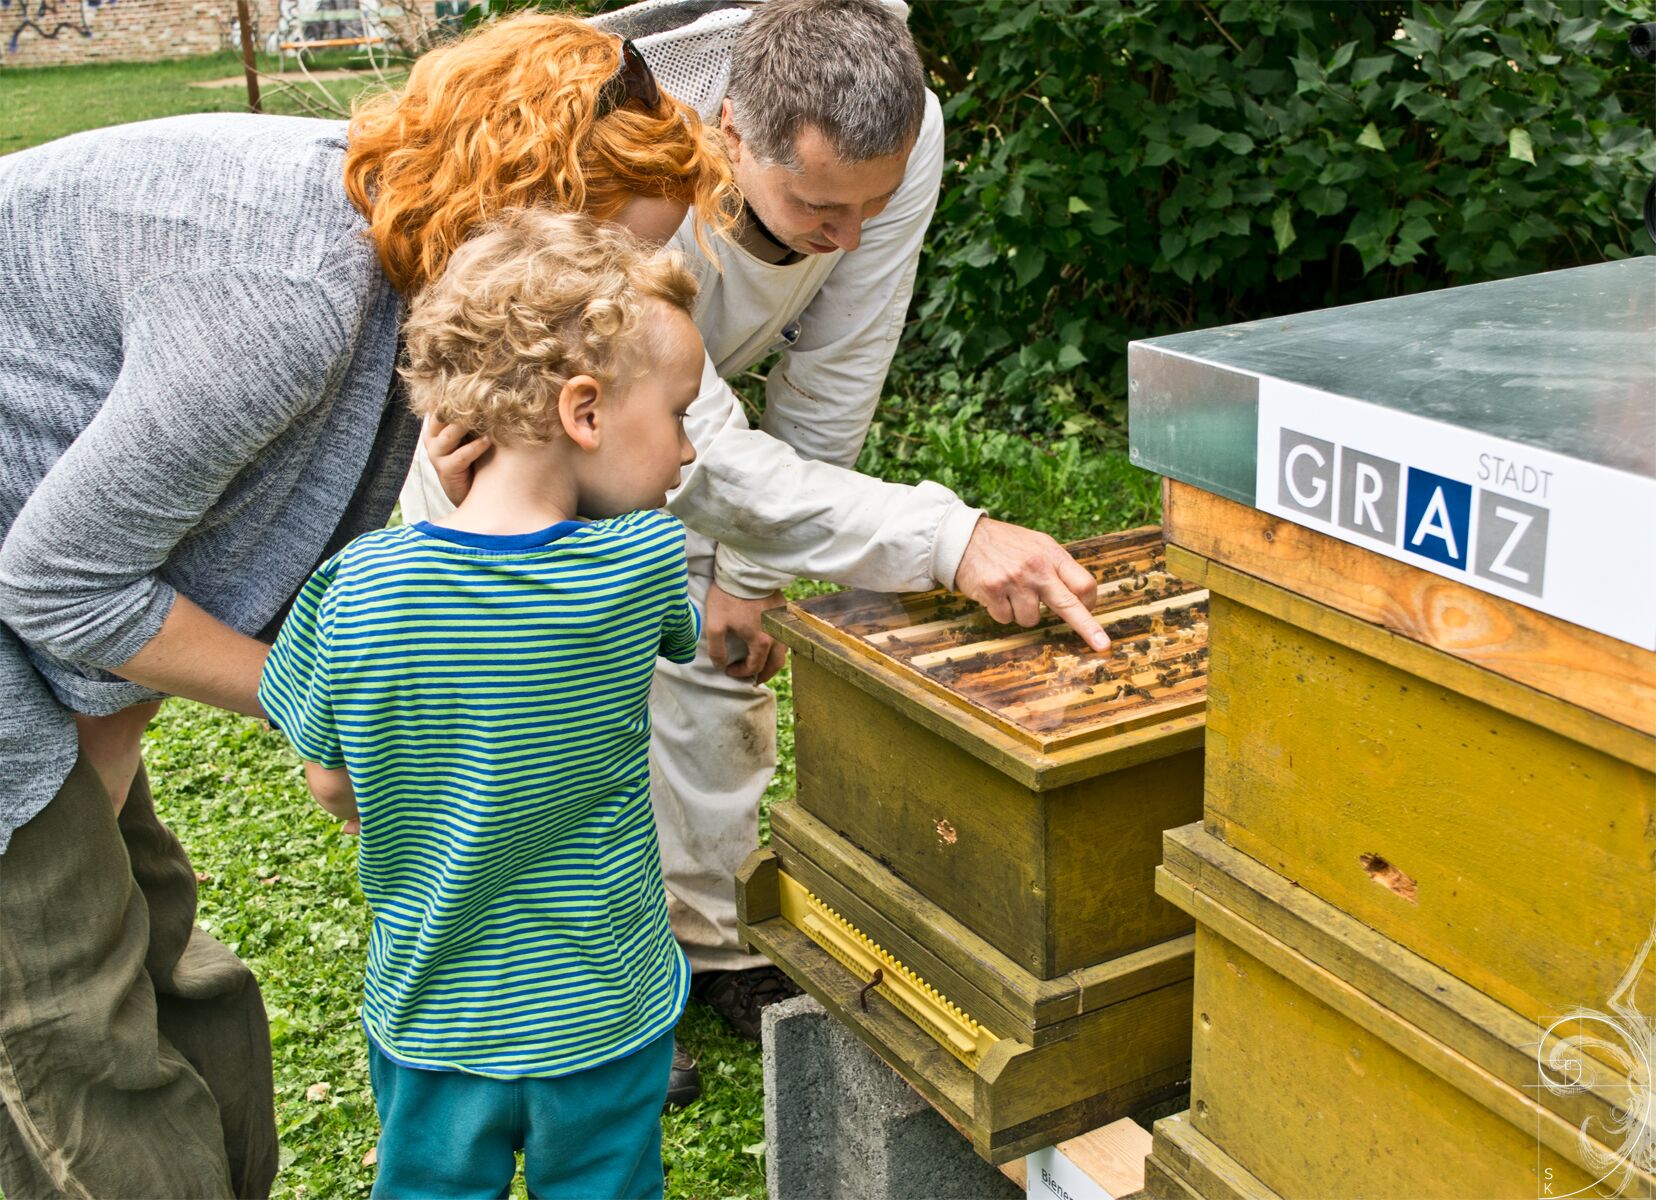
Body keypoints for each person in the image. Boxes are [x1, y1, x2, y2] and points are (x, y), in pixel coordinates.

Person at [0, 14, 730, 1196]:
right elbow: (60, 580)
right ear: (527, 229)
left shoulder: (409, 287)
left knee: (173, 965)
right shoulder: (288, 294)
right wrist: (343, 717)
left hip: (39, 567)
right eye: (607, 267)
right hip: (23, 571)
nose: (616, 304)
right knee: (67, 1010)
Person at [400, 0, 1111, 1104]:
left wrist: (752, 581)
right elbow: (704, 455)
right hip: (533, 414)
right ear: (730, 134)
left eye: (876, 202)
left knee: (724, 669)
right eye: (822, 207)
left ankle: (718, 945)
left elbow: (837, 366)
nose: (852, 237)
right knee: (536, 693)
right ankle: (571, 998)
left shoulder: (893, 133)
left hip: (670, 392)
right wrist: (947, 537)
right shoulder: (625, 153)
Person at [261, 209, 704, 1200]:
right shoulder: (641, 566)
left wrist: (460, 504)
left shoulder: (355, 587)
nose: (682, 453)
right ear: (584, 412)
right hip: (603, 1013)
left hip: (433, 1019)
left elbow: (331, 785)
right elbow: (647, 596)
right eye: (677, 414)